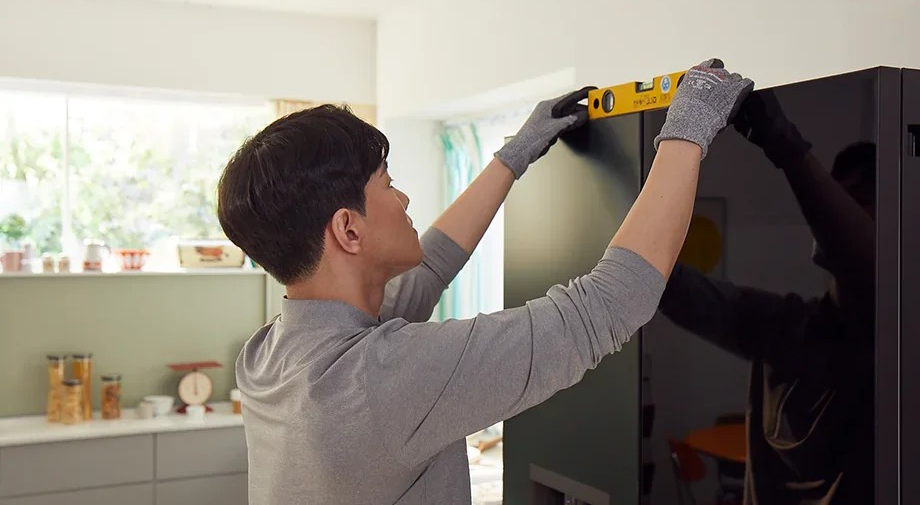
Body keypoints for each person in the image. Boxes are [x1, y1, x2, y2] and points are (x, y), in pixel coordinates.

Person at [217, 59, 753, 504]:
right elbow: (609, 304)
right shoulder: (379, 381)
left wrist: (513, 156)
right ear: (348, 230)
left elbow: (430, 268)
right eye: (388, 184)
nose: (403, 199)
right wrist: (688, 129)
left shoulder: (269, 355)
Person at [658, 91, 875, 504]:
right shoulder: (785, 328)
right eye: (835, 195)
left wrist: (788, 148)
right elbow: (669, 287)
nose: (826, 212)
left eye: (856, 201)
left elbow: (870, 267)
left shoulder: (894, 345)